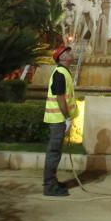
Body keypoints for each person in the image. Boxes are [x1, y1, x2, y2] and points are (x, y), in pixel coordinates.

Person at [43, 44, 78, 196]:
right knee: (54, 152)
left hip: (59, 118)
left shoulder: (64, 72)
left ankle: (52, 182)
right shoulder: (59, 73)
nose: (70, 53)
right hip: (58, 119)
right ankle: (49, 186)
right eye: (67, 51)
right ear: (61, 57)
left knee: (55, 151)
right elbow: (60, 99)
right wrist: (67, 118)